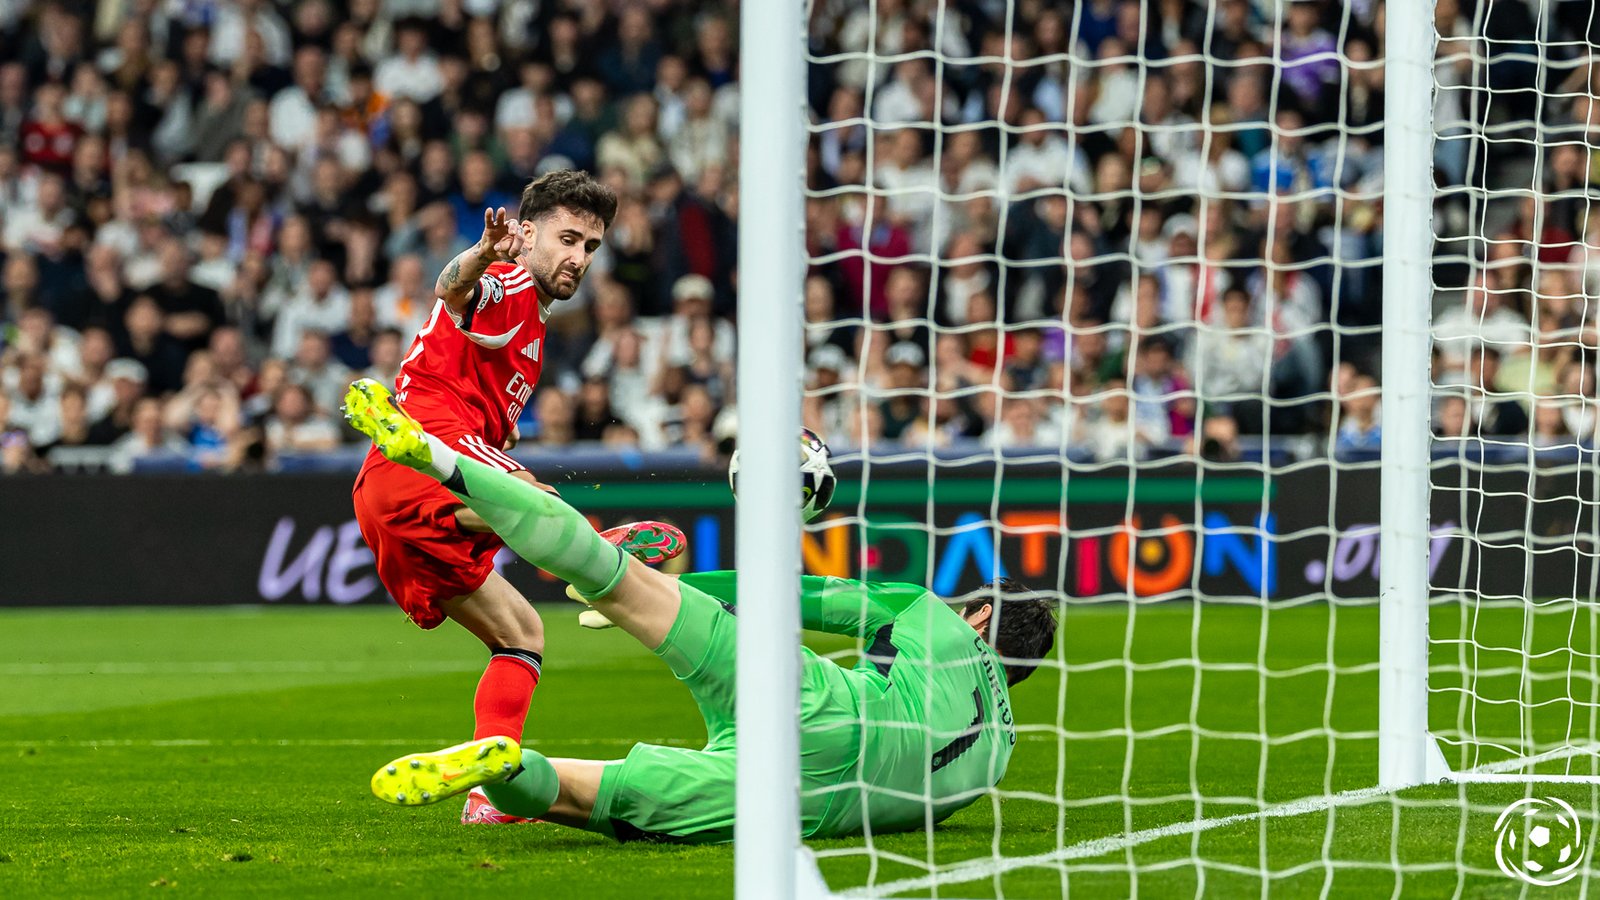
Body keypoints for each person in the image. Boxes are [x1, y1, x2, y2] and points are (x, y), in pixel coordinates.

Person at [343, 378, 1058, 841]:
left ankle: (437, 460)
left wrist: (668, 590)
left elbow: (790, 599)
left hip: (812, 703)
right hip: (802, 804)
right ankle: (506, 772)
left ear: (982, 617)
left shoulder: (932, 615)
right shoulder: (997, 757)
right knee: (599, 798)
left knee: (603, 567)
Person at [349, 170, 683, 825]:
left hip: (398, 498)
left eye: (590, 246)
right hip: (422, 449)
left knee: (523, 633)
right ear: (527, 234)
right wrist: (480, 253)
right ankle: (586, 552)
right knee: (531, 495)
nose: (579, 258)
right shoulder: (512, 282)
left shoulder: (534, 331)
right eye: (567, 239)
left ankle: (486, 794)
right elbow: (454, 288)